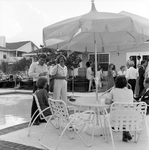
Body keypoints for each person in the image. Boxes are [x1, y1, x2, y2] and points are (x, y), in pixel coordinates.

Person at [105, 76, 133, 142]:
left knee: (118, 113)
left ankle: (125, 132)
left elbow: (107, 101)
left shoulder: (114, 90)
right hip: (130, 119)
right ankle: (125, 131)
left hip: (116, 120)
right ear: (126, 83)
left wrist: (114, 101)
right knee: (124, 113)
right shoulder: (130, 91)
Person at [28, 53, 49, 125]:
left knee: (42, 102)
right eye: (41, 60)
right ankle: (34, 120)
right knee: (36, 101)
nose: (42, 61)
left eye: (44, 60)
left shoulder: (45, 66)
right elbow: (30, 74)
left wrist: (47, 85)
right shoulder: (33, 64)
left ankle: (41, 117)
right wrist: (39, 74)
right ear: (38, 58)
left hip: (44, 85)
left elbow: (46, 75)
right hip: (36, 84)